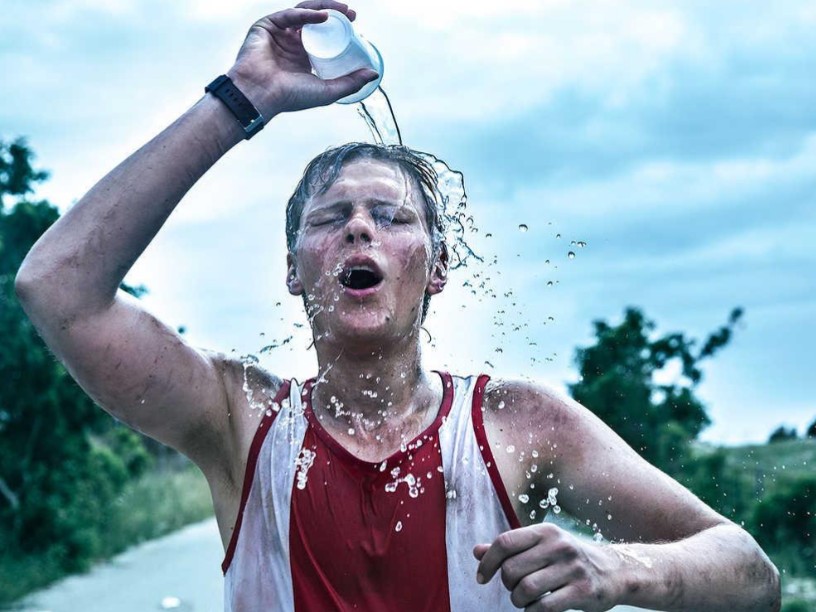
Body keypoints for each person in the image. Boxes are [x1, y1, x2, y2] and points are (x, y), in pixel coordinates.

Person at [15, 2, 780, 611]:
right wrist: (242, 98)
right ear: (293, 271)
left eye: (390, 215)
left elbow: (751, 575)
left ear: (438, 268)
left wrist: (618, 566)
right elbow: (56, 287)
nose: (357, 225)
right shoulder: (238, 418)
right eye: (329, 217)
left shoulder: (518, 421)